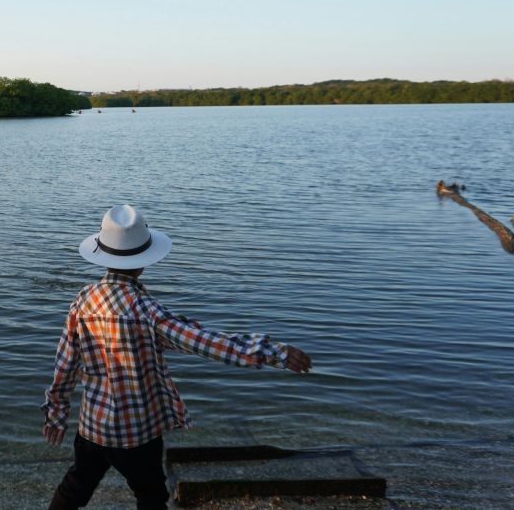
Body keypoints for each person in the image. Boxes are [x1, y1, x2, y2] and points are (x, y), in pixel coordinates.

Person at [41, 204, 313, 510]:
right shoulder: (147, 310)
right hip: (137, 432)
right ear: (143, 262)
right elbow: (205, 343)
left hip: (93, 427)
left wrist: (56, 414)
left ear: (103, 253)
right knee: (151, 496)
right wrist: (273, 351)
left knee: (75, 487)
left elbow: (65, 363)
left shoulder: (83, 300)